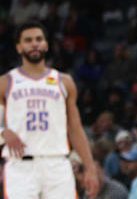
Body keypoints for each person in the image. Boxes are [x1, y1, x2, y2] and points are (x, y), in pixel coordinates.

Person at [0, 20, 99, 199]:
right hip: (20, 166)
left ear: (46, 44)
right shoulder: (6, 82)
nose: (34, 44)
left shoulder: (64, 82)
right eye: (28, 40)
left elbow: (75, 128)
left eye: (39, 39)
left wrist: (90, 168)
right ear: (19, 47)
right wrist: (3, 133)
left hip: (57, 163)